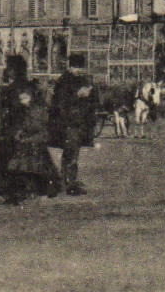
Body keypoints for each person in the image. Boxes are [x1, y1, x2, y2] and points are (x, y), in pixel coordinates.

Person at [49, 53, 99, 195]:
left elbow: (92, 97)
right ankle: (70, 184)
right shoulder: (64, 81)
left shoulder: (80, 80)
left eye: (80, 67)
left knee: (72, 152)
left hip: (78, 122)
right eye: (75, 67)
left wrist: (89, 93)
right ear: (69, 67)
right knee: (71, 153)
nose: (78, 70)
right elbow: (61, 103)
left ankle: (67, 180)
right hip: (68, 123)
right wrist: (79, 95)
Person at [6, 81, 61, 201]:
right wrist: (19, 134)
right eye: (21, 99)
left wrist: (27, 138)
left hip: (37, 141)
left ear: (31, 97)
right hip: (30, 141)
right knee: (23, 165)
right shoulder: (27, 109)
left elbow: (38, 128)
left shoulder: (37, 110)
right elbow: (25, 125)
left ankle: (40, 190)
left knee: (34, 166)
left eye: (25, 98)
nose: (23, 101)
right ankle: (27, 190)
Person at [0, 54, 34, 201]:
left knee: (9, 159)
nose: (7, 71)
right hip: (23, 128)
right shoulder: (26, 85)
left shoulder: (14, 88)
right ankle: (22, 190)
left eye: (9, 68)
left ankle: (12, 191)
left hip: (14, 128)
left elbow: (12, 106)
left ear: (14, 70)